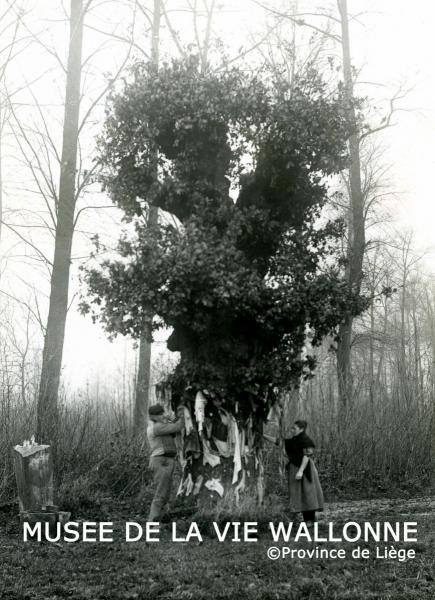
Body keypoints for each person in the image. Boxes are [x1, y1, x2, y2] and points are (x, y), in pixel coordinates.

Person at [147, 403, 185, 521]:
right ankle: (152, 522)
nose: (163, 415)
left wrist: (170, 418)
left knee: (166, 493)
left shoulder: (162, 425)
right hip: (160, 461)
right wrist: (185, 415)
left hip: (168, 460)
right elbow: (178, 426)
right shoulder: (157, 427)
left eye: (162, 412)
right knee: (161, 492)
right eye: (160, 414)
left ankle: (160, 520)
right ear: (153, 417)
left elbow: (174, 427)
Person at [284, 420, 324, 523]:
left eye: (294, 428)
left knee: (308, 492)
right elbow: (280, 442)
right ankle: (307, 519)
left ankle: (310, 520)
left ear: (301, 429)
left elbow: (307, 455)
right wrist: (263, 436)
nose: (292, 430)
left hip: (305, 468)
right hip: (295, 468)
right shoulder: (294, 439)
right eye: (292, 428)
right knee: (299, 493)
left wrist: (301, 471)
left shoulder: (305, 439)